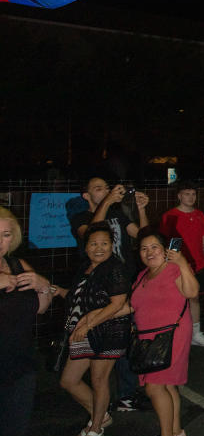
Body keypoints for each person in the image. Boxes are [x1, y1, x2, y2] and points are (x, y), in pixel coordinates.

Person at [70, 177, 149, 412]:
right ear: (86, 196)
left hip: (124, 283)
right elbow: (90, 234)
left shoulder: (118, 214)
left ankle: (126, 394)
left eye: (106, 188)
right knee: (102, 340)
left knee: (125, 339)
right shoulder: (81, 217)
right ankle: (107, 398)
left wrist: (142, 210)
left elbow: (142, 235)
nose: (105, 191)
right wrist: (106, 202)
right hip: (99, 289)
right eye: (98, 189)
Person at [57, 223, 132, 436]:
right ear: (86, 246)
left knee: (100, 380)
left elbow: (118, 304)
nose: (98, 248)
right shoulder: (85, 267)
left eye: (104, 244)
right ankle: (101, 415)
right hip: (84, 330)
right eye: (93, 243)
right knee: (69, 380)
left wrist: (88, 323)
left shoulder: (115, 268)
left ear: (112, 245)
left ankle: (96, 427)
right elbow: (79, 296)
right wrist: (54, 290)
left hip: (107, 331)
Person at [130, 228, 199, 436]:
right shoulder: (142, 276)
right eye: (143, 248)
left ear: (165, 249)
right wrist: (94, 318)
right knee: (167, 386)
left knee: (154, 387)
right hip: (148, 339)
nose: (149, 252)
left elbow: (192, 291)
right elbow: (131, 306)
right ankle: (177, 434)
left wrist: (181, 262)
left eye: (154, 247)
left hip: (172, 335)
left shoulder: (173, 269)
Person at [1, 208, 54, 436]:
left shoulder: (18, 266)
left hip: (20, 366)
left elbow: (41, 308)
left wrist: (42, 284)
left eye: (6, 234)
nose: (0, 240)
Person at [160, 180, 204, 347]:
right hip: (180, 264)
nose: (191, 197)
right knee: (177, 300)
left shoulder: (199, 214)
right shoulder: (171, 216)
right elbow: (169, 242)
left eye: (193, 194)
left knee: (195, 299)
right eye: (187, 194)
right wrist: (175, 264)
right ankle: (176, 334)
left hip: (199, 264)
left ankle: (195, 333)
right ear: (179, 196)